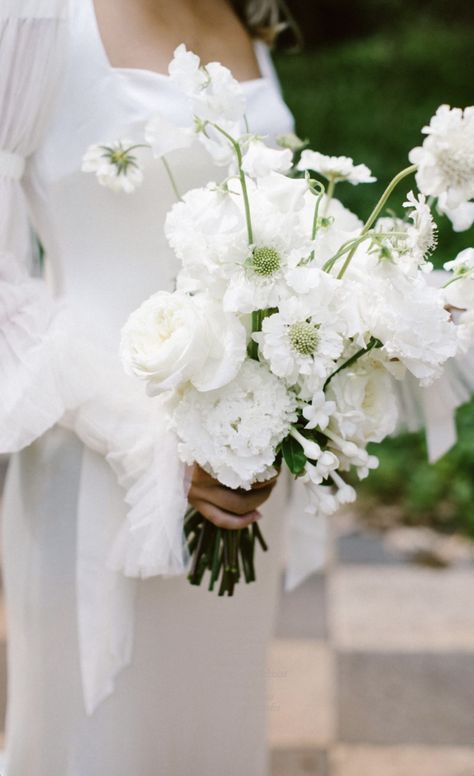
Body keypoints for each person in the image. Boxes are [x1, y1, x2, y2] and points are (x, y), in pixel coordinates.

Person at [0, 1, 316, 774]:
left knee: (216, 732)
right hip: (96, 472)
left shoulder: (249, 14)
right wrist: (152, 442)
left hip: (243, 484)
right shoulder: (36, 20)